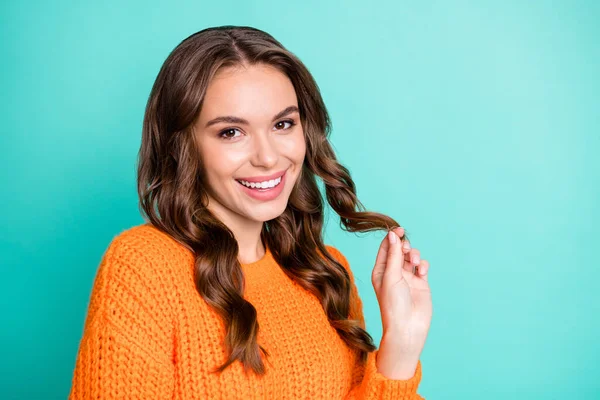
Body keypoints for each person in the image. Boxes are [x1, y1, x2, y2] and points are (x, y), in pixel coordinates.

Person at [68, 25, 432, 399]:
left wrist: (402, 343)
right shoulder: (144, 267)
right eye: (231, 132)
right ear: (184, 145)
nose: (269, 157)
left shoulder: (324, 272)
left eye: (283, 124)